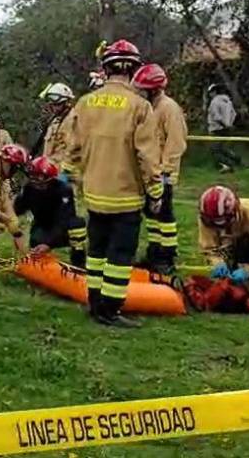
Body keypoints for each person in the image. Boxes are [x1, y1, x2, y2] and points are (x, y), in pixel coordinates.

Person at [67, 39, 163, 328]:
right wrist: (156, 191)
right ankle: (110, 310)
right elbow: (147, 154)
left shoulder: (85, 103)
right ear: (133, 70)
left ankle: (95, 303)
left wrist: (74, 175)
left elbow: (72, 148)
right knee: (120, 257)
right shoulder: (140, 106)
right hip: (126, 197)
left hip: (95, 194)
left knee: (95, 253)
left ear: (106, 70)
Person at [132, 63, 187, 274]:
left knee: (164, 216)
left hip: (163, 174)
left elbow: (176, 143)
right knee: (151, 216)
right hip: (149, 173)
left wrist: (165, 171)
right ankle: (154, 252)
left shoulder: (169, 108)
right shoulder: (148, 107)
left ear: (153, 89)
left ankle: (167, 255)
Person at [14, 155, 88, 268]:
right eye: (33, 176)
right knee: (36, 247)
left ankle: (79, 262)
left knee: (77, 224)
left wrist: (49, 243)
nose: (36, 181)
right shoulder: (29, 189)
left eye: (39, 177)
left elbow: (64, 219)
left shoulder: (63, 189)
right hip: (42, 226)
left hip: (63, 229)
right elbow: (17, 210)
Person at [34, 82, 77, 181]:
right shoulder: (55, 121)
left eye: (57, 105)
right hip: (50, 172)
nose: (53, 107)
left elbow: (71, 149)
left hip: (63, 174)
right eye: (52, 104)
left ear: (66, 102)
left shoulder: (72, 120)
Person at [207, 84, 242, 173]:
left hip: (217, 128)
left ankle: (227, 165)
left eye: (210, 92)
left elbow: (216, 116)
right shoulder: (228, 101)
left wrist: (223, 124)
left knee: (215, 150)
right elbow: (234, 114)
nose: (209, 95)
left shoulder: (214, 102)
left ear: (214, 92)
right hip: (227, 128)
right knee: (223, 148)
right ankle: (237, 160)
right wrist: (230, 124)